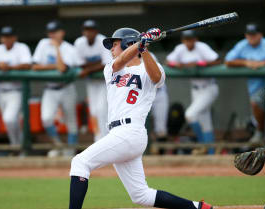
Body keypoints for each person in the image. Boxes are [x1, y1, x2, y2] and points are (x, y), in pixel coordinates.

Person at [68, 28, 213, 209]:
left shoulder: (151, 66)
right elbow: (121, 60)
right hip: (118, 133)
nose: (111, 50)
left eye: (114, 45)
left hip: (131, 131)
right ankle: (199, 207)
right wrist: (140, 43)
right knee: (141, 195)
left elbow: (157, 77)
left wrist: (143, 49)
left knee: (80, 162)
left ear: (126, 43)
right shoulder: (111, 69)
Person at [225, 23, 265, 145]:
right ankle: (264, 134)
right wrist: (245, 62)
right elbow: (228, 61)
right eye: (249, 34)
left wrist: (263, 63)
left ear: (260, 35)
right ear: (246, 35)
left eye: (254, 34)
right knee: (256, 107)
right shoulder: (242, 45)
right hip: (255, 87)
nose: (252, 37)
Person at [166, 30, 220, 154]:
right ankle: (210, 154)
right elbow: (168, 61)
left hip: (209, 87)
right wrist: (179, 64)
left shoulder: (202, 47)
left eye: (191, 39)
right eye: (186, 39)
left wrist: (200, 64)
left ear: (195, 39)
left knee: (190, 115)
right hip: (195, 89)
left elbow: (218, 60)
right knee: (205, 122)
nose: (188, 42)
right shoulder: (180, 49)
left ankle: (203, 146)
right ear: (183, 40)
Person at [33, 20, 81, 157]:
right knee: (46, 118)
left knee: (71, 122)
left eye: (55, 32)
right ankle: (58, 145)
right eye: (50, 32)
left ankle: (70, 151)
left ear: (62, 33)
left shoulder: (69, 49)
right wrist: (53, 66)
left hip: (67, 88)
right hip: (50, 89)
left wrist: (56, 48)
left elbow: (62, 68)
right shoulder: (43, 44)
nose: (52, 35)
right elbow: (35, 67)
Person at [0, 26, 32, 146]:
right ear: (1, 38)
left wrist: (9, 67)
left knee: (10, 119)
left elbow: (27, 65)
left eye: (9, 37)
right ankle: (17, 146)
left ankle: (20, 146)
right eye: (4, 37)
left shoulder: (22, 47)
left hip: (16, 90)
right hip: (0, 90)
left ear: (14, 38)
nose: (7, 39)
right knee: (8, 121)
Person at [74, 19, 112, 141]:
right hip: (91, 82)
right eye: (86, 30)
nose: (89, 33)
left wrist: (88, 69)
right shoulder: (79, 42)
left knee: (102, 110)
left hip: (104, 82)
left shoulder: (102, 40)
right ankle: (98, 138)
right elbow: (80, 64)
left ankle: (105, 138)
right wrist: (94, 65)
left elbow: (106, 63)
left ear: (96, 31)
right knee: (94, 112)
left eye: (91, 30)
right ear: (83, 32)